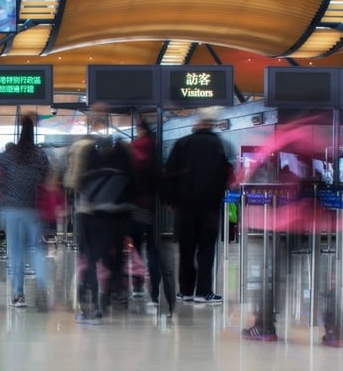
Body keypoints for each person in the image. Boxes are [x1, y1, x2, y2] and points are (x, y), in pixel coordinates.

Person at [163, 110, 233, 305]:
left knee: (185, 250)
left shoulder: (182, 143)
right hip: (209, 207)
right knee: (206, 249)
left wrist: (171, 201)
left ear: (197, 124)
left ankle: (185, 291)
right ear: (212, 125)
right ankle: (204, 292)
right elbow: (226, 174)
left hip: (184, 208)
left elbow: (169, 173)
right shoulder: (220, 144)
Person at [65, 135, 136, 323]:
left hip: (92, 222)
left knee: (91, 263)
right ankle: (110, 296)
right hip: (117, 226)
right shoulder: (124, 176)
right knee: (112, 263)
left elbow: (84, 198)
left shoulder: (92, 175)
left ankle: (93, 308)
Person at [0, 116, 50, 308]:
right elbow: (46, 176)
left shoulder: (9, 154)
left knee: (16, 252)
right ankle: (43, 288)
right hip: (32, 208)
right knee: (35, 250)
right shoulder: (39, 154)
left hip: (10, 208)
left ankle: (19, 295)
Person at [129, 120, 163, 310]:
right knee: (153, 250)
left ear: (139, 130)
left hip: (134, 207)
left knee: (135, 249)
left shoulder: (132, 149)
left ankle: (137, 286)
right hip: (152, 207)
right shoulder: (156, 150)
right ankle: (155, 292)